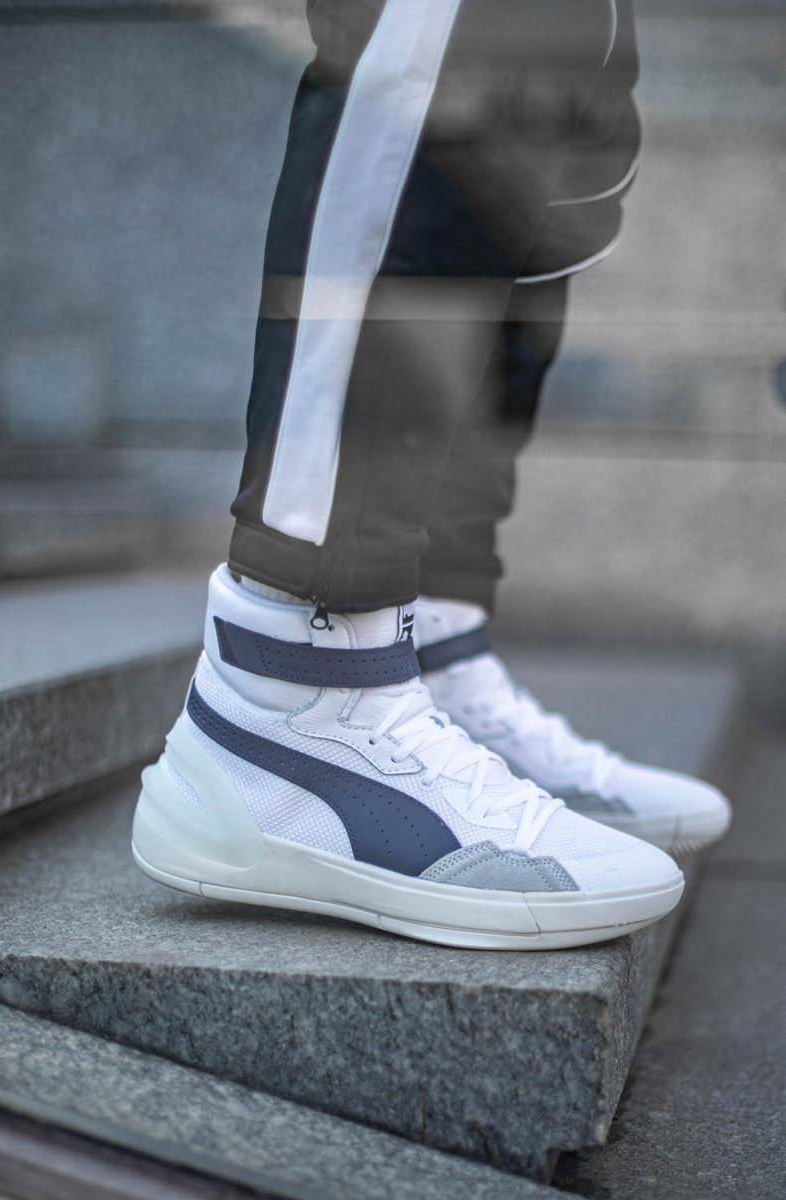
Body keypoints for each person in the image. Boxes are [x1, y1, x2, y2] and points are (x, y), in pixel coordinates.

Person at [132, 0, 730, 948]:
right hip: (301, 659)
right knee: (442, 49)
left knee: (559, 104)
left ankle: (428, 639)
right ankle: (293, 683)